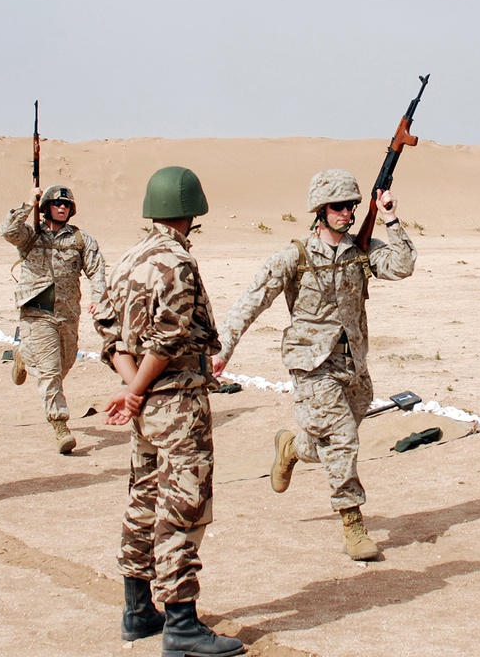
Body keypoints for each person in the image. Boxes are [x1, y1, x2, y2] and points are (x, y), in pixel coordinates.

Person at [213, 169, 416, 561]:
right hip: (311, 366)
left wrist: (389, 216)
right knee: (343, 440)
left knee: (328, 441)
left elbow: (403, 265)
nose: (348, 212)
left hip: (353, 365)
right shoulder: (295, 257)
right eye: (339, 206)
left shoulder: (361, 250)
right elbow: (251, 301)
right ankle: (353, 523)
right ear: (320, 210)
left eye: (352, 205)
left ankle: (291, 446)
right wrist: (223, 350)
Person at [95, 166, 244, 657]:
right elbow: (169, 338)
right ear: (191, 211)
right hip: (176, 402)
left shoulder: (125, 260)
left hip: (147, 405)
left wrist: (130, 386)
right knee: (183, 507)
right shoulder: (176, 263)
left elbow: (108, 331)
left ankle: (138, 609)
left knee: (143, 498)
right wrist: (137, 389)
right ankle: (181, 623)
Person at [0, 184, 106, 454]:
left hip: (67, 313)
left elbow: (97, 270)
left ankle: (23, 355)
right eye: (57, 203)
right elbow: (8, 231)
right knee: (50, 372)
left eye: (66, 204)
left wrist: (99, 297)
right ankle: (60, 425)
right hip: (38, 311)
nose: (62, 208)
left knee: (64, 364)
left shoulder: (81, 240)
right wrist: (28, 202)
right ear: (46, 206)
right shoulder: (31, 235)